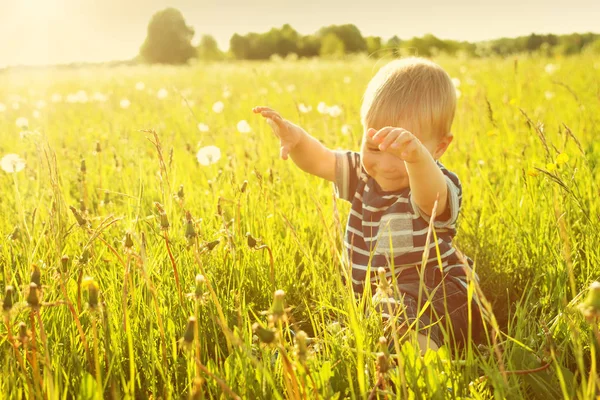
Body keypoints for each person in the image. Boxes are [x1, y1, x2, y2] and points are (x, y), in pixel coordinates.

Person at [252, 57, 484, 354]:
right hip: (384, 299)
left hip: (442, 293)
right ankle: (386, 349)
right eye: (374, 147)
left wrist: (417, 162)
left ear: (438, 148)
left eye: (402, 153)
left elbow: (432, 198)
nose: (385, 164)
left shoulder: (434, 182)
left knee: (399, 317)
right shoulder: (362, 172)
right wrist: (297, 140)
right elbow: (322, 160)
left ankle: (423, 366)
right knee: (373, 318)